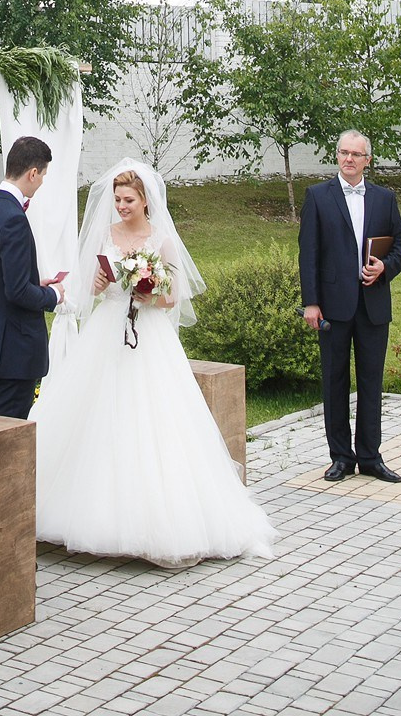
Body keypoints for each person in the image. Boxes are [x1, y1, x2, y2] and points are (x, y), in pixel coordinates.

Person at [31, 159, 276, 568]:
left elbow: (172, 298)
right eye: (117, 199)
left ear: (145, 201)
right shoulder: (106, 235)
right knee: (98, 416)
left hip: (148, 337)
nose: (121, 206)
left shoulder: (160, 240)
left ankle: (160, 522)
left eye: (128, 199)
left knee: (156, 420)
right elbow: (91, 289)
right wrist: (98, 283)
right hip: (108, 333)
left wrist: (148, 293)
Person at [299, 130, 401, 483]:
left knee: (371, 383)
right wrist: (311, 303)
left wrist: (384, 268)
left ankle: (370, 457)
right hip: (332, 306)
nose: (348, 159)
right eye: (343, 153)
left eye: (355, 154)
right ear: (337, 157)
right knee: (334, 381)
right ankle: (341, 458)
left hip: (373, 305)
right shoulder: (317, 196)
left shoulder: (385, 198)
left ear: (368, 160)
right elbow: (309, 255)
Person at [0, 136, 65, 419]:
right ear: (32, 173)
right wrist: (53, 296)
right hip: (17, 352)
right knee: (7, 440)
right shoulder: (13, 218)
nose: (43, 182)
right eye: (43, 175)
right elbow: (18, 292)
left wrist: (29, 284)